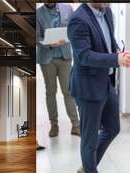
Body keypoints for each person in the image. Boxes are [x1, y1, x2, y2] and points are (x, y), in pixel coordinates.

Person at [67, 3, 130, 173]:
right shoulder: (78, 20)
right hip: (88, 88)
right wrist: (116, 59)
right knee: (89, 140)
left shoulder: (107, 12)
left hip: (106, 82)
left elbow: (108, 42)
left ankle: (87, 167)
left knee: (112, 128)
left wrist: (119, 52)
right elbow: (85, 56)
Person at [36, 3, 80, 137]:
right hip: (47, 59)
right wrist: (49, 43)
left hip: (65, 56)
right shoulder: (38, 13)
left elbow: (75, 28)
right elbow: (36, 37)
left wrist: (70, 37)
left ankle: (76, 125)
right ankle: (54, 125)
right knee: (51, 92)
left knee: (68, 91)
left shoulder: (67, 8)